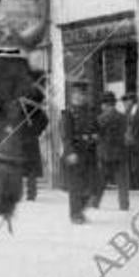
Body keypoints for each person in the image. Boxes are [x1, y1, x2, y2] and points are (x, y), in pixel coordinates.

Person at [60, 78, 98, 224]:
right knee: (76, 186)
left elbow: (96, 128)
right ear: (72, 95)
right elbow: (66, 136)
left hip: (89, 153)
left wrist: (96, 136)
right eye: (76, 94)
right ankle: (75, 215)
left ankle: (79, 210)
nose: (79, 97)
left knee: (91, 186)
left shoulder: (90, 111)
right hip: (75, 153)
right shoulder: (68, 113)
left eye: (82, 94)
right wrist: (70, 152)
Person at [92, 90, 129, 211]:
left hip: (105, 153)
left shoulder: (100, 118)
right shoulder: (123, 117)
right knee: (122, 181)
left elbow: (96, 135)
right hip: (120, 152)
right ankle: (124, 204)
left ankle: (95, 202)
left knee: (101, 180)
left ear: (104, 104)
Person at [21, 70, 48, 201]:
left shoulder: (25, 98)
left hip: (23, 138)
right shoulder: (34, 99)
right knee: (30, 167)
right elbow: (45, 120)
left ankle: (25, 194)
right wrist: (37, 131)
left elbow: (44, 119)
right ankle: (31, 194)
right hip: (29, 137)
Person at [123, 91, 139, 189]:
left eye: (126, 100)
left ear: (132, 101)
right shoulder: (127, 112)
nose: (124, 103)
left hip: (138, 142)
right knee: (132, 164)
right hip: (130, 143)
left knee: (138, 164)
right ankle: (133, 184)